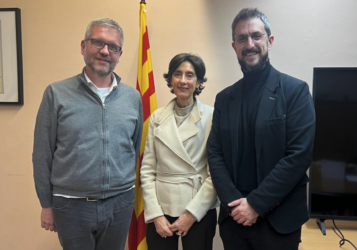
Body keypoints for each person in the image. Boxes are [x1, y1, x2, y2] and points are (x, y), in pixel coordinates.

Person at [207, 8, 316, 250]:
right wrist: (235, 203)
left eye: (256, 36)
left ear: (270, 40)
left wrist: (255, 204)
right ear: (234, 46)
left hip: (279, 221)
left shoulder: (295, 92)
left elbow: (298, 156)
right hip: (234, 219)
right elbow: (214, 154)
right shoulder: (224, 99)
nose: (250, 44)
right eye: (242, 38)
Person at [32, 18, 143, 250]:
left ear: (119, 54)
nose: (105, 51)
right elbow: (42, 154)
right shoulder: (56, 93)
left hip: (119, 203)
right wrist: (46, 204)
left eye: (112, 47)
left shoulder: (132, 98)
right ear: (83, 47)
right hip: (71, 206)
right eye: (97, 43)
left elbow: (133, 148)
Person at [140, 53, 219, 250]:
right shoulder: (157, 118)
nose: (183, 80)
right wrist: (155, 214)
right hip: (162, 209)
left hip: (198, 206)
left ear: (199, 81)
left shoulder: (212, 116)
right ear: (170, 79)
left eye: (190, 75)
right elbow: (148, 170)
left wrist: (191, 214)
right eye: (177, 74)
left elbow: (216, 172)